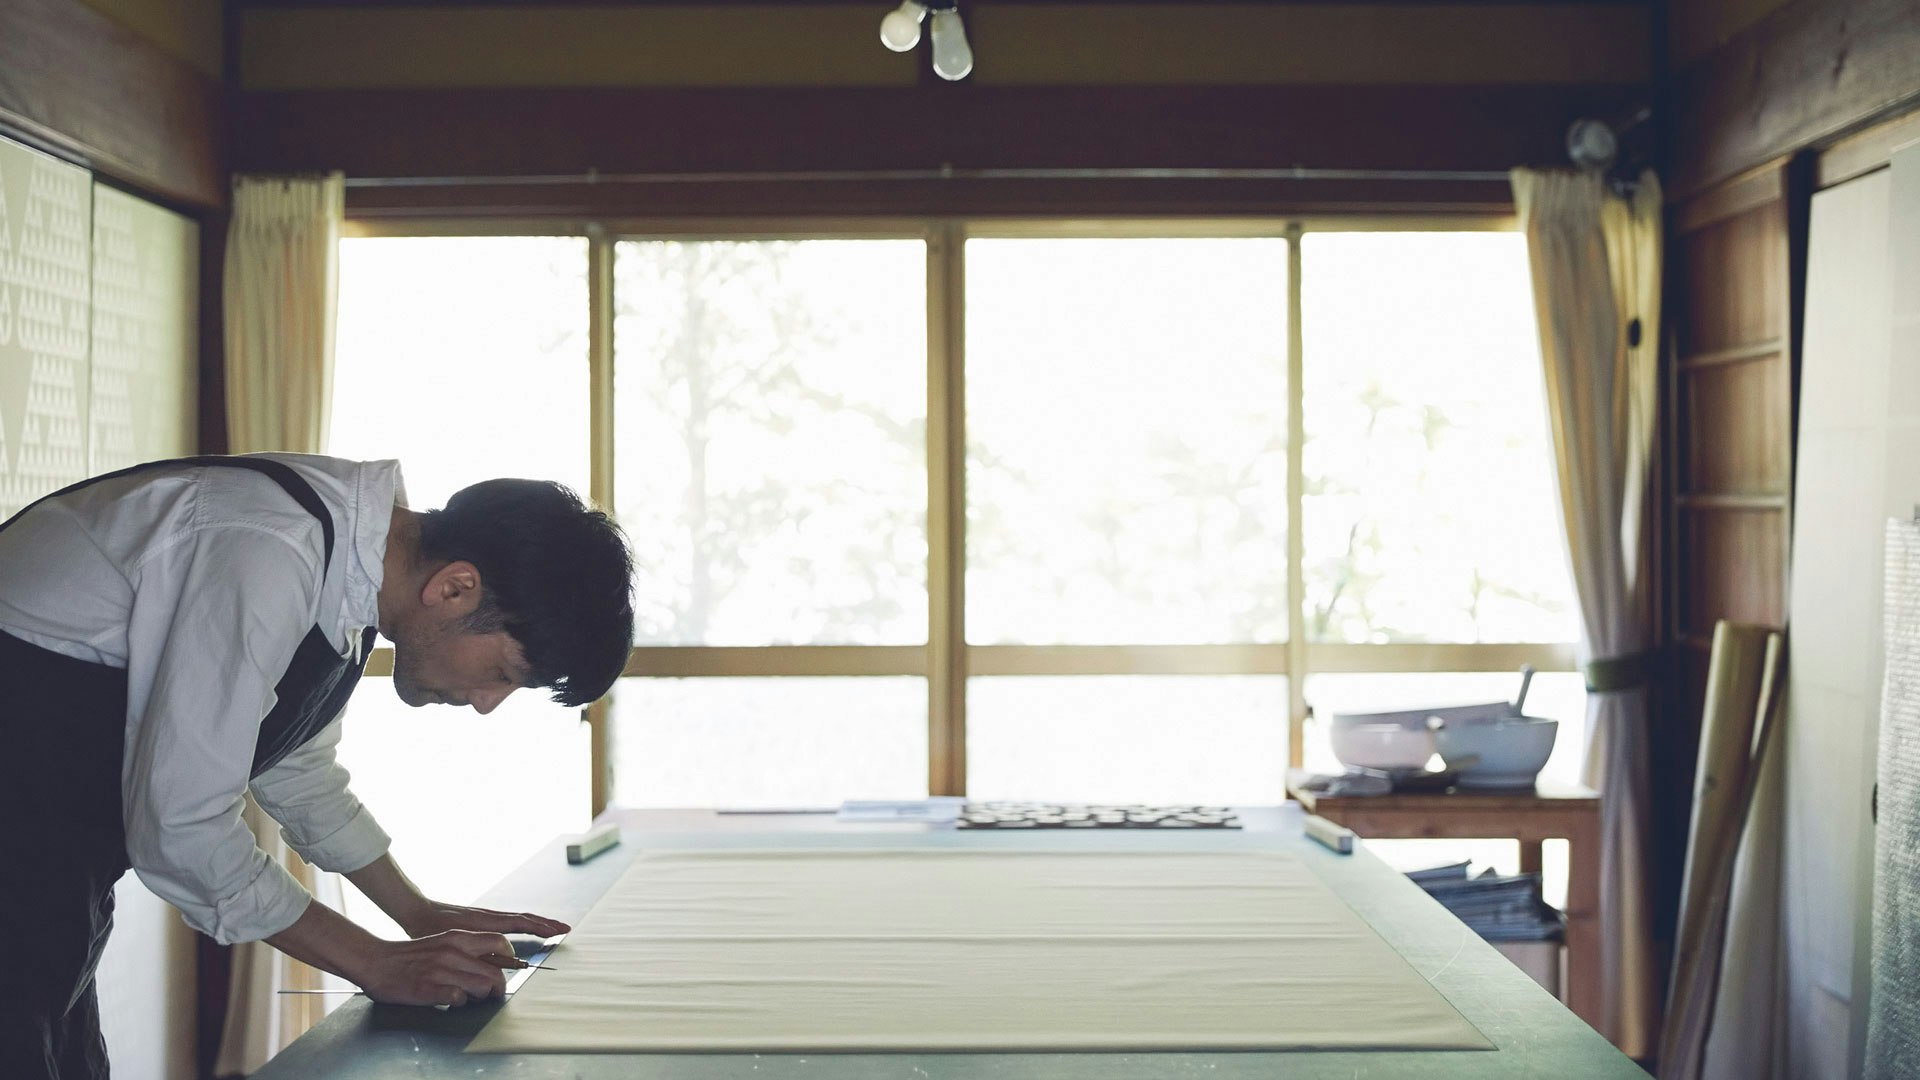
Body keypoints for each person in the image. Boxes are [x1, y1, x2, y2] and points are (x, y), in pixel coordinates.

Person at [0, 453, 635, 1079]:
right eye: (502, 673)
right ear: (455, 587)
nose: (488, 704)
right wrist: (376, 963)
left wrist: (415, 913)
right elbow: (182, 830)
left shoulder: (355, 573)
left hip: (48, 868)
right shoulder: (267, 550)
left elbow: (293, 767)